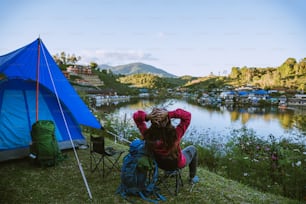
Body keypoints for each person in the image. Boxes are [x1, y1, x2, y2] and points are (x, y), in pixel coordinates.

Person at [133, 107, 198, 183]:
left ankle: (169, 172)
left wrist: (147, 116)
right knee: (193, 149)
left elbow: (136, 116)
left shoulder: (147, 134)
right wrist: (169, 114)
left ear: (152, 120)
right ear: (167, 119)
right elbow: (187, 116)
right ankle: (192, 178)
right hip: (176, 164)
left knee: (169, 155)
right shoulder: (176, 134)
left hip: (159, 164)